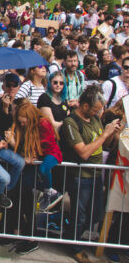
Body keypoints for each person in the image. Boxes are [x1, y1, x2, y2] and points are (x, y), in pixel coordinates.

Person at [61, 85, 120, 263]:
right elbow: (84, 153)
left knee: (96, 213)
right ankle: (75, 246)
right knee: (80, 215)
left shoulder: (94, 119)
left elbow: (103, 145)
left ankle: (72, 236)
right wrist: (104, 136)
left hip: (95, 174)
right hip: (81, 176)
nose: (97, 113)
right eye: (95, 109)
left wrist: (110, 133)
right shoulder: (71, 123)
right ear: (85, 106)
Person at [7, 100, 63, 211]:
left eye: (24, 122)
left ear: (30, 117)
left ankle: (50, 192)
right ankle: (51, 190)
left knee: (43, 169)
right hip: (37, 155)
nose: (22, 124)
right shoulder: (27, 127)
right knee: (28, 180)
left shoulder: (43, 122)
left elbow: (44, 143)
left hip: (51, 153)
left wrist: (33, 154)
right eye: (20, 122)